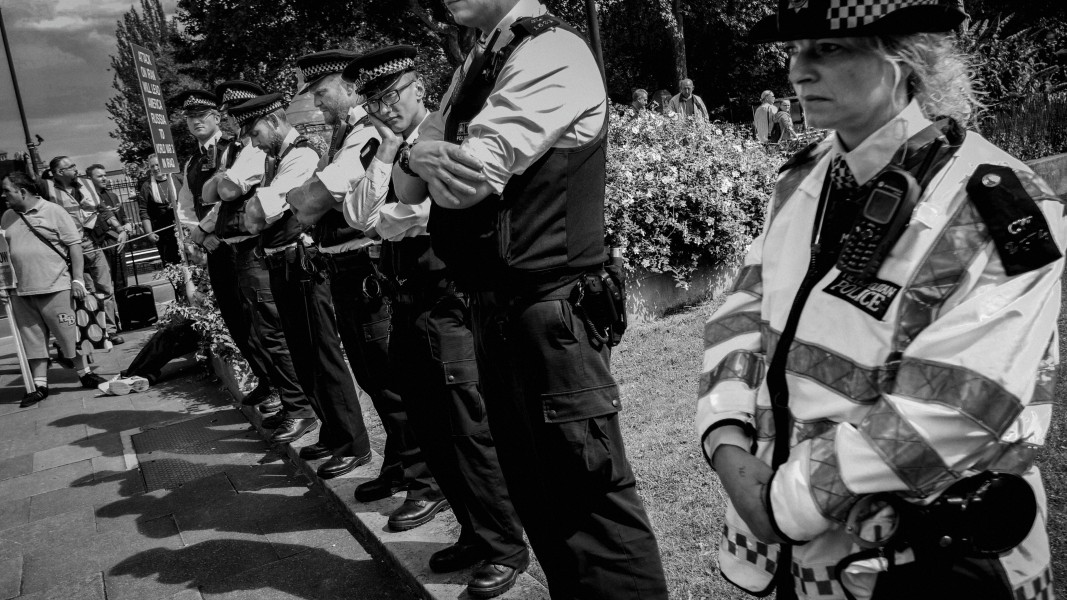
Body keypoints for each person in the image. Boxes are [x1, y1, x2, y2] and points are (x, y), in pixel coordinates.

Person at [698, 1, 1061, 599]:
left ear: (903, 56)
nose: (798, 71)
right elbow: (740, 311)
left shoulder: (999, 204)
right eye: (795, 50)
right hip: (796, 560)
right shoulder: (801, 178)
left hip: (929, 567)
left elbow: (961, 406)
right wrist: (726, 437)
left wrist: (783, 502)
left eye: (828, 48)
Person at [393, 1, 669, 597]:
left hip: (551, 314)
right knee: (539, 502)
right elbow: (412, 178)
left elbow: (465, 181)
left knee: (590, 507)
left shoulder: (550, 50)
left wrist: (422, 156)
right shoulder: (481, 58)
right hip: (500, 312)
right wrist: (414, 154)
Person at [343, 46, 529, 597]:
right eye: (372, 99)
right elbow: (362, 217)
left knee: (467, 426)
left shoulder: (450, 130)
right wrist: (390, 166)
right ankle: (474, 534)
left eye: (391, 94)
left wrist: (393, 217)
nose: (383, 107)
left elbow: (431, 211)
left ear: (418, 87)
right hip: (403, 300)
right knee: (429, 424)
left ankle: (504, 546)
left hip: (448, 298)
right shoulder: (388, 146)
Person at [286, 49, 444, 522]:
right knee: (378, 378)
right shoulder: (351, 132)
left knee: (395, 383)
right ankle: (401, 466)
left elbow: (317, 203)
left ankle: (424, 481)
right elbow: (339, 206)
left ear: (347, 86)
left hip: (369, 267)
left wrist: (308, 194)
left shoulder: (370, 131)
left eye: (322, 91)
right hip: (355, 265)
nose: (317, 102)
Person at [172, 88, 279, 412]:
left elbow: (231, 196)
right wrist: (199, 235)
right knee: (235, 318)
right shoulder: (191, 161)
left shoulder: (238, 147)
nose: (195, 122)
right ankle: (264, 378)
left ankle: (280, 386)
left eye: (202, 115)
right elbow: (184, 206)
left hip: (243, 241)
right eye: (190, 117)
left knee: (258, 315)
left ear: (217, 117)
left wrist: (209, 229)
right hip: (214, 246)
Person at [1, 172, 107, 407]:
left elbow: (74, 246)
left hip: (56, 286)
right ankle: (39, 386)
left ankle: (85, 374)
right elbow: (3, 255)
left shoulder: (54, 211)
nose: (3, 195)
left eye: (7, 190)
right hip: (21, 291)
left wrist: (77, 280)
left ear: (22, 191)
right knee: (33, 341)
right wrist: (3, 284)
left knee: (70, 335)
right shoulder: (7, 217)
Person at [41, 156, 124, 344]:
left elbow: (103, 209)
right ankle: (89, 333)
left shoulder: (85, 184)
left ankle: (110, 331)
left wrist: (119, 229)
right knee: (83, 291)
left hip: (91, 243)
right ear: (59, 172)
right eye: (71, 167)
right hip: (67, 249)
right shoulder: (48, 189)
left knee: (106, 288)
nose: (75, 169)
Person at [86, 164, 131, 293]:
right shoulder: (88, 199)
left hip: (117, 242)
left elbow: (124, 218)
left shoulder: (113, 196)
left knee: (121, 282)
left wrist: (125, 229)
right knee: (103, 283)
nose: (104, 178)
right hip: (99, 244)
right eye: (100, 176)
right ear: (90, 179)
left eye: (105, 175)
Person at [135, 154, 182, 266]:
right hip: (163, 232)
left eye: (158, 165)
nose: (155, 168)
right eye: (152, 166)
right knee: (171, 264)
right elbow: (143, 211)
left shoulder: (179, 178)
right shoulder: (146, 186)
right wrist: (149, 233)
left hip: (183, 227)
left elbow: (190, 199)